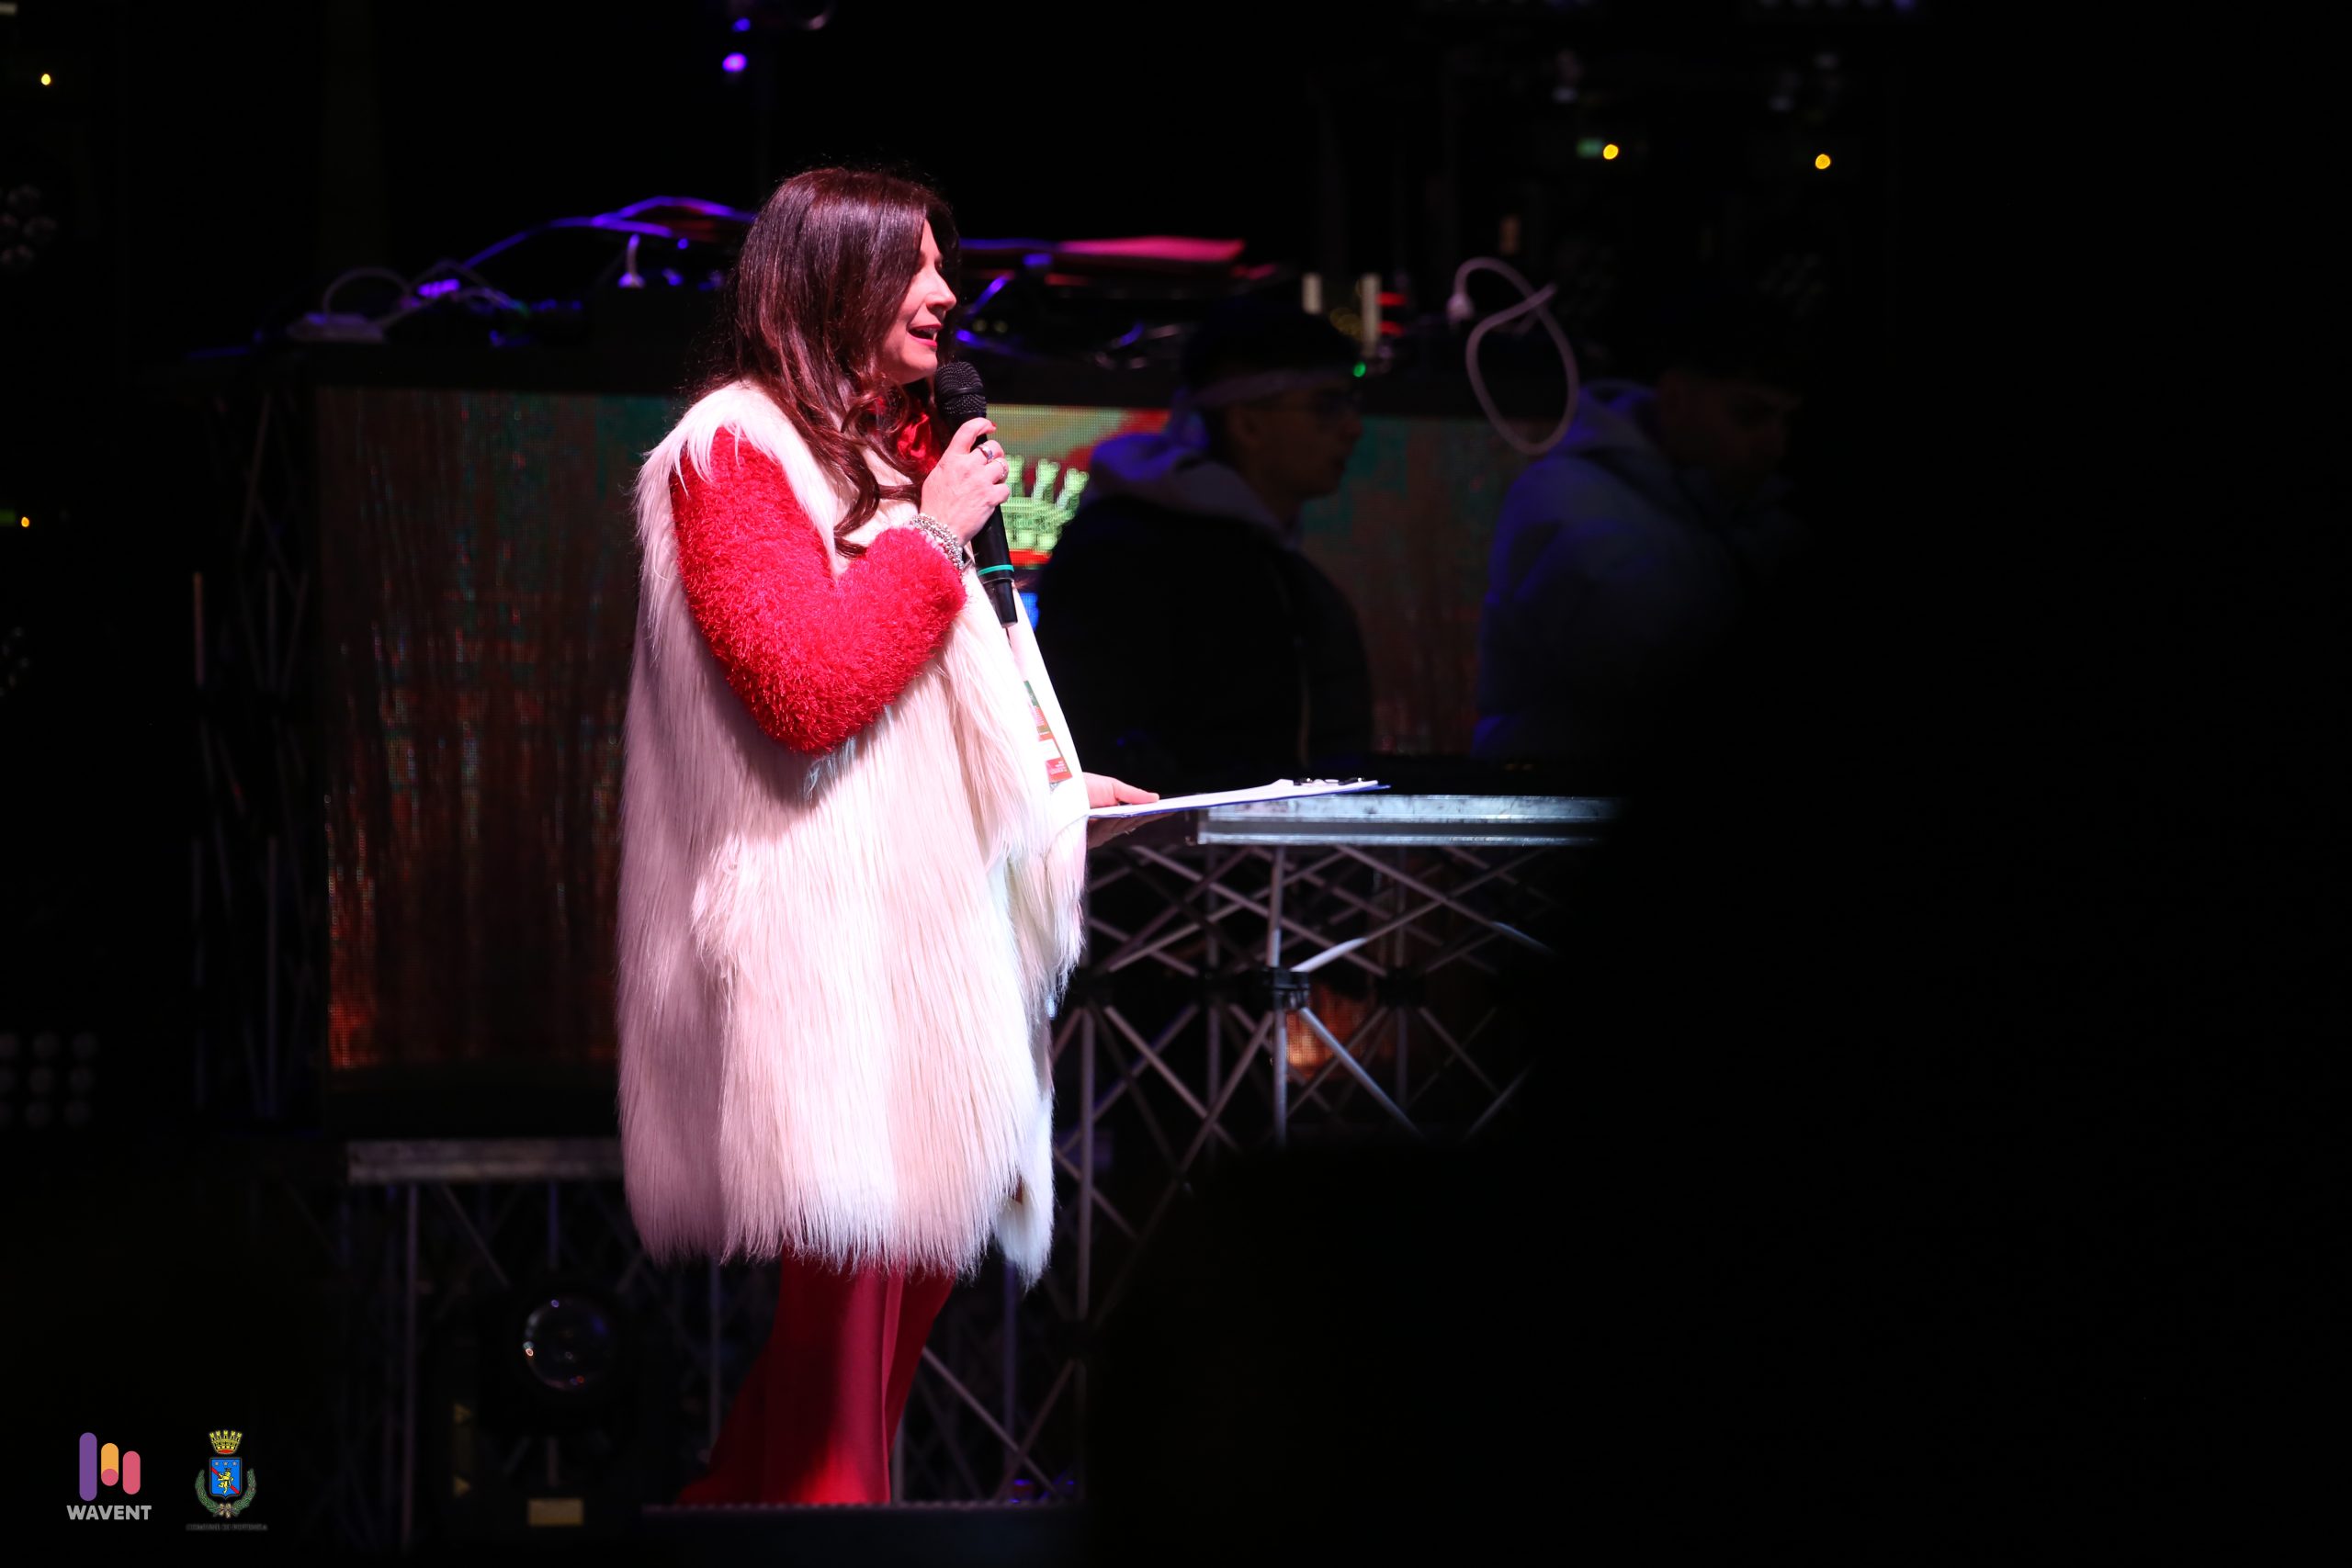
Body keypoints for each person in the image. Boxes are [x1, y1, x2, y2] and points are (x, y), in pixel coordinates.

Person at [614, 167, 1156, 1506]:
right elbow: (806, 694)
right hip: (826, 962)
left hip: (923, 956)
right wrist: (929, 540)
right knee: (841, 1358)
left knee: (872, 1341)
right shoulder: (732, 449)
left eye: (941, 266)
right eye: (913, 266)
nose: (945, 294)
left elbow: (922, 713)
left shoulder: (883, 466)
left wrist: (1054, 789)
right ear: (830, 281)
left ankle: (742, 1523)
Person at [1033, 296, 1374, 795]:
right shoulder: (1123, 553)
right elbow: (1094, 743)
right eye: (1326, 406)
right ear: (1246, 423)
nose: (1353, 428)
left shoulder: (1276, 565)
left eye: (1352, 403)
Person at [1472, 289, 1810, 773]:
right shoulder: (1564, 499)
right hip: (1551, 804)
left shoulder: (1744, 512)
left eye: (1785, 421)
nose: (1774, 445)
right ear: (1675, 399)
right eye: (1748, 415)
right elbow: (1651, 666)